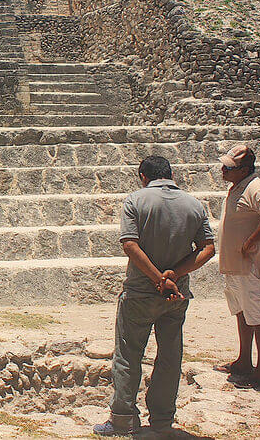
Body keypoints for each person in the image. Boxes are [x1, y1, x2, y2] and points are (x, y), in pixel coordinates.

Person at [94, 156, 216, 437]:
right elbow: (208, 248)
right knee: (170, 356)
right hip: (176, 295)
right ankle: (162, 420)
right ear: (171, 174)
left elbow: (129, 244)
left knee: (128, 355)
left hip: (140, 292)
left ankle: (123, 418)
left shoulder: (136, 201)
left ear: (143, 176)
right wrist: (173, 276)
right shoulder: (193, 204)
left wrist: (156, 277)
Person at [213, 144, 260, 388]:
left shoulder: (255, 187)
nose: (223, 170)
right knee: (242, 313)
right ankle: (244, 360)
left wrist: (251, 241)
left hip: (251, 267)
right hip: (236, 266)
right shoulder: (238, 187)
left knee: (258, 317)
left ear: (243, 170)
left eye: (229, 167)